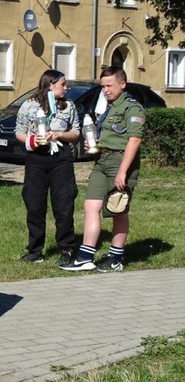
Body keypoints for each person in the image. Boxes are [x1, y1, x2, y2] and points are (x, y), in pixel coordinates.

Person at [62, 66, 146, 273]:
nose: (105, 90)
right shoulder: (109, 107)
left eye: (109, 85)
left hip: (121, 162)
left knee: (118, 210)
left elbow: (134, 141)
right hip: (102, 160)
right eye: (103, 86)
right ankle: (86, 256)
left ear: (122, 84)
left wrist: (123, 172)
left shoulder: (132, 108)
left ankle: (115, 258)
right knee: (91, 206)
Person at [14, 70, 80, 267]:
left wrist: (58, 134)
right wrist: (35, 140)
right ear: (49, 85)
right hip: (36, 159)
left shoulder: (69, 106)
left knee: (64, 205)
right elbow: (20, 133)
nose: (66, 88)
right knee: (35, 205)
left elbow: (75, 133)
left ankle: (66, 248)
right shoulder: (29, 105)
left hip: (61, 159)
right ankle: (35, 250)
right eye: (62, 84)